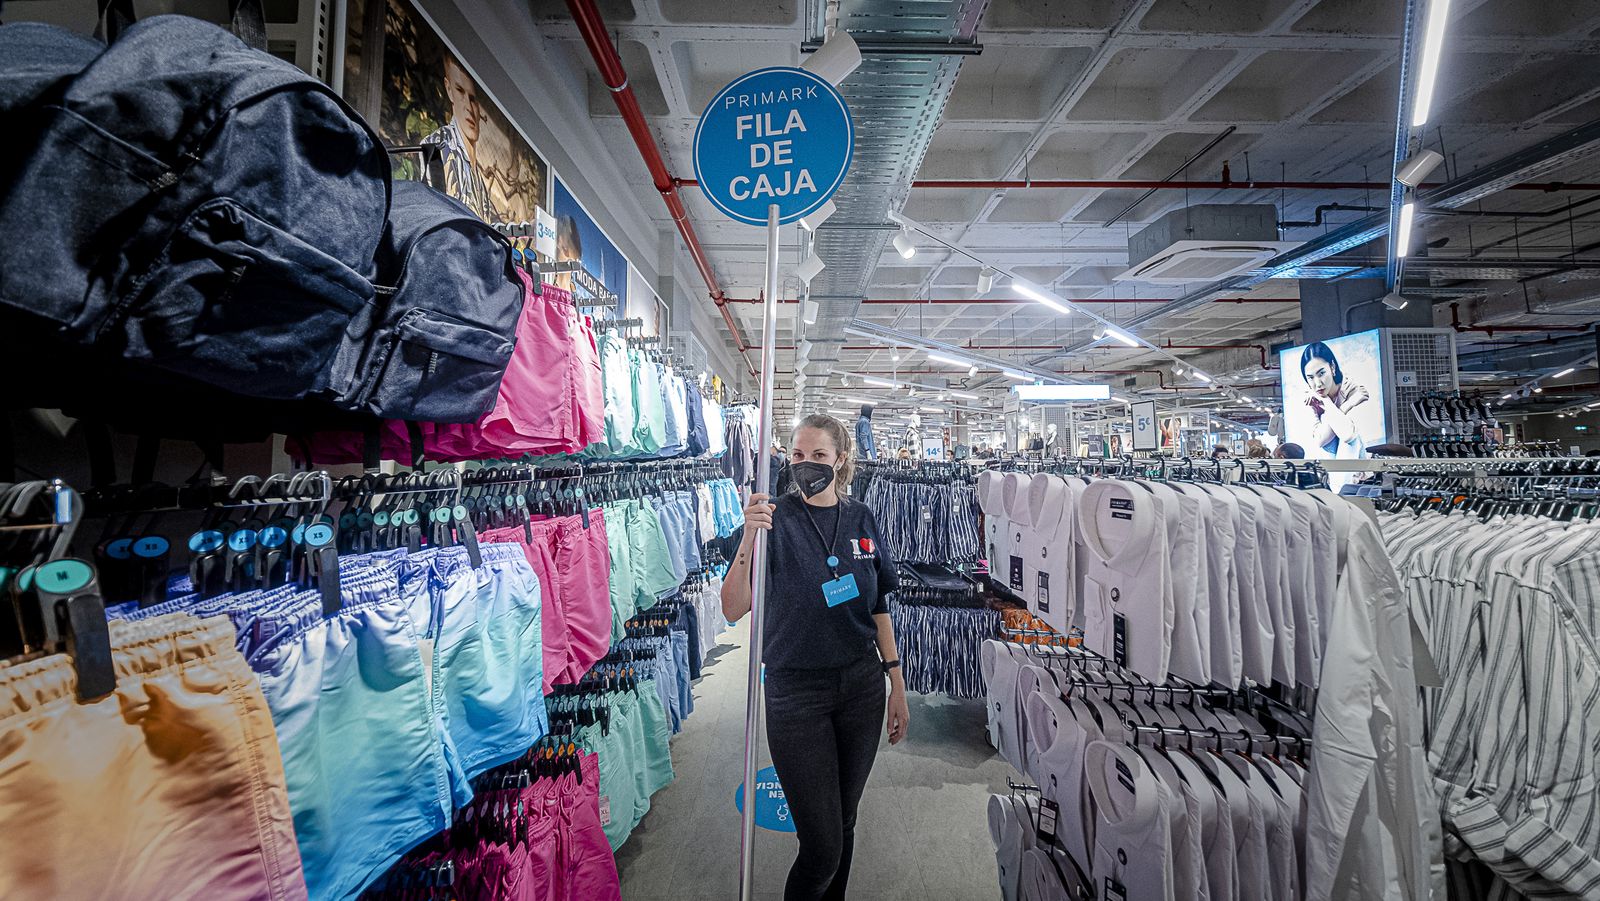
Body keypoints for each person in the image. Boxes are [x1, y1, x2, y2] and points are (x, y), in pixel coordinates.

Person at [722, 413, 909, 901]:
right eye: (798, 455)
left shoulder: (862, 517)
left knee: (845, 821)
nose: (806, 465)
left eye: (819, 456)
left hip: (861, 687)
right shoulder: (772, 518)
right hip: (795, 693)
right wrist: (747, 536)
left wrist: (897, 682)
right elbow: (732, 607)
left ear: (841, 460)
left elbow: (879, 605)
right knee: (822, 846)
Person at [1300, 341, 1371, 457]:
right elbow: (1320, 440)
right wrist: (1347, 405)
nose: (1318, 383)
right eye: (1311, 377)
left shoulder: (1354, 390)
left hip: (1363, 463)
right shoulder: (1311, 399)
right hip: (1333, 466)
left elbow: (1348, 435)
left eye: (1321, 373)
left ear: (1332, 367)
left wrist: (1327, 403)